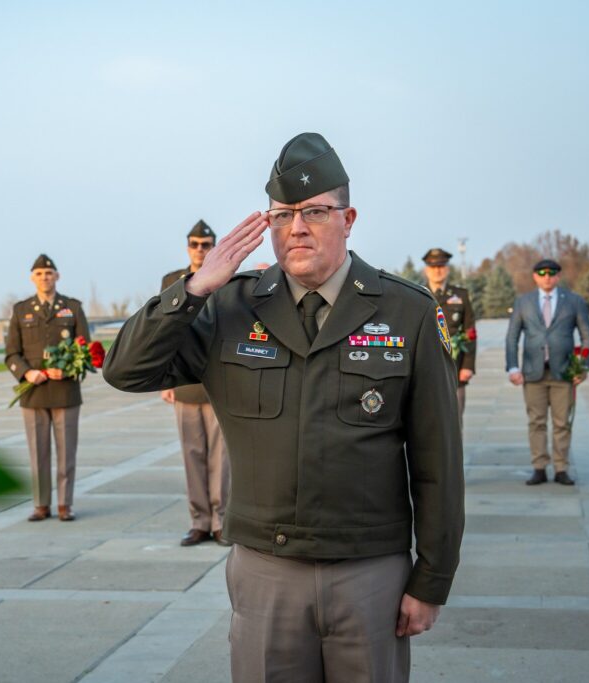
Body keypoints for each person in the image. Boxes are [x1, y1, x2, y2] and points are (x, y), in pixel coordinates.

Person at [104, 132, 464, 683]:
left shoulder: (407, 311)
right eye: (282, 215)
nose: (296, 228)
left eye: (316, 212)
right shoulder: (229, 306)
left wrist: (431, 579)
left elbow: (439, 463)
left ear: (349, 219)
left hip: (370, 572)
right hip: (266, 574)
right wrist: (194, 289)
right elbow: (126, 370)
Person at [161, 220, 230, 547]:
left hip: (218, 379)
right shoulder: (173, 281)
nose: (200, 249)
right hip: (185, 379)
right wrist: (165, 377)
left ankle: (221, 521)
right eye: (194, 244)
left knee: (221, 457)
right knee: (192, 454)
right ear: (187, 247)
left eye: (205, 244)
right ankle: (199, 521)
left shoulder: (228, 276)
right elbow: (164, 332)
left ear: (214, 246)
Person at [5, 254, 90, 521]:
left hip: (65, 392)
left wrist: (66, 369)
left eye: (49, 273)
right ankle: (41, 504)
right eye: (40, 273)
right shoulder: (21, 310)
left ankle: (65, 504)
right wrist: (27, 373)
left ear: (57, 277)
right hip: (34, 393)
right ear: (33, 278)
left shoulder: (72, 308)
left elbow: (84, 348)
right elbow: (11, 354)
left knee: (67, 453)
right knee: (37, 453)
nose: (45, 278)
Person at [505, 258, 589, 486]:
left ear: (558, 276)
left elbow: (587, 336)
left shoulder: (573, 301)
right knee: (536, 421)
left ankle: (562, 468)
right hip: (533, 373)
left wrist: (583, 366)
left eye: (551, 273)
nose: (547, 277)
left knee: (562, 422)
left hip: (563, 373)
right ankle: (539, 467)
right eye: (542, 273)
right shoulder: (523, 302)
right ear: (535, 276)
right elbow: (513, 337)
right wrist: (513, 367)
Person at [422, 247, 477, 423]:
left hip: (455, 367)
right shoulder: (417, 294)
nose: (437, 270)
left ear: (448, 268)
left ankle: (455, 452)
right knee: (426, 422)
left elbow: (470, 332)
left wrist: (468, 366)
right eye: (433, 266)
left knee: (454, 420)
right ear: (426, 270)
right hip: (424, 368)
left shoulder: (461, 295)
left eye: (441, 266)